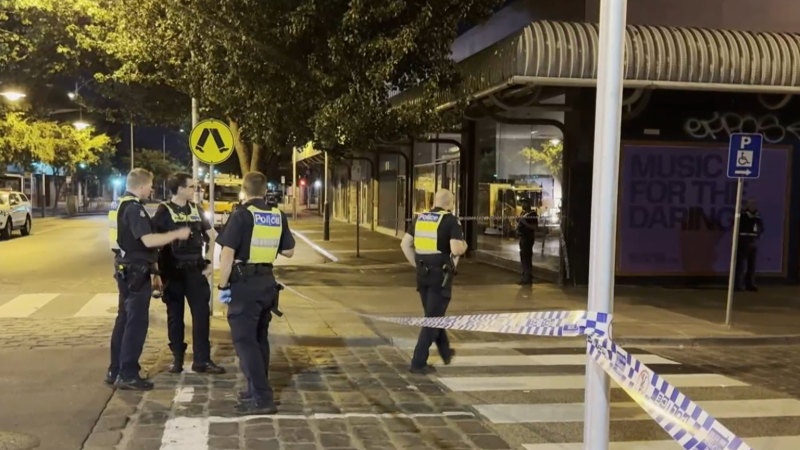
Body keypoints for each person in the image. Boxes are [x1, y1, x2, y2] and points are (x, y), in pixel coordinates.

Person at [216, 171, 295, 414]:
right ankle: (255, 388)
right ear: (264, 190)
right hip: (267, 283)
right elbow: (290, 251)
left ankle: (262, 397)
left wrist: (222, 285)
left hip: (244, 285)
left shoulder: (241, 215)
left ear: (244, 190)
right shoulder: (276, 215)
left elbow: (227, 254)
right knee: (259, 338)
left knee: (244, 341)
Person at [106, 168, 191, 390]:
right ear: (141, 186)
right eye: (150, 185)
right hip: (135, 271)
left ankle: (115, 369)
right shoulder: (134, 209)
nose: (152, 189)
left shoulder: (118, 204)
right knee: (136, 323)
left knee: (123, 319)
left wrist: (154, 268)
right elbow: (148, 240)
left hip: (125, 267)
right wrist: (176, 235)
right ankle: (128, 373)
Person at [152, 173, 225, 374]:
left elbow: (212, 235)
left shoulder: (196, 209)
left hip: (195, 270)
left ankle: (202, 360)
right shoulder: (163, 211)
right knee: (175, 316)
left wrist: (210, 262)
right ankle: (177, 358)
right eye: (191, 187)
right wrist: (155, 272)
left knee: (201, 316)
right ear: (181, 189)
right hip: (172, 271)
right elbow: (152, 242)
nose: (195, 190)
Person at [400, 189, 468, 374]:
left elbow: (404, 244)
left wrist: (417, 264)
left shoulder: (420, 218)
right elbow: (456, 249)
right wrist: (464, 245)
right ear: (451, 202)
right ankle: (418, 362)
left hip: (422, 274)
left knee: (433, 313)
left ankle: (445, 352)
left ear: (434, 201)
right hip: (441, 276)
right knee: (432, 318)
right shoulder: (451, 220)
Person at [736, 198, 764, 292]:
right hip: (743, 241)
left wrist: (757, 235)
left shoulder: (757, 216)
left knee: (751, 264)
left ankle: (750, 283)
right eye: (751, 204)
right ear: (747, 205)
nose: (753, 206)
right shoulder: (742, 216)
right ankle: (738, 284)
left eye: (754, 204)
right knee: (740, 264)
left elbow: (761, 228)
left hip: (753, 241)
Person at [516, 198, 538, 285]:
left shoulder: (532, 214)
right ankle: (525, 274)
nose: (522, 205)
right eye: (522, 203)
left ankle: (527, 277)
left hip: (528, 238)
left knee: (526, 257)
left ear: (528, 204)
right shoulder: (523, 213)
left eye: (524, 203)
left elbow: (535, 227)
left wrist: (525, 223)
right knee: (523, 256)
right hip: (522, 237)